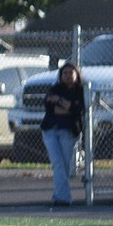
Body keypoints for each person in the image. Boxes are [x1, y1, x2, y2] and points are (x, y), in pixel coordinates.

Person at [40, 61, 84, 207]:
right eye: (64, 73)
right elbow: (50, 108)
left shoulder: (80, 91)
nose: (67, 76)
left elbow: (77, 109)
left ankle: (58, 196)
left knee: (64, 165)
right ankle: (65, 198)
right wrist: (68, 107)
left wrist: (60, 101)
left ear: (76, 75)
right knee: (57, 163)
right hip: (50, 129)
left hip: (68, 131)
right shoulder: (55, 88)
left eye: (70, 73)